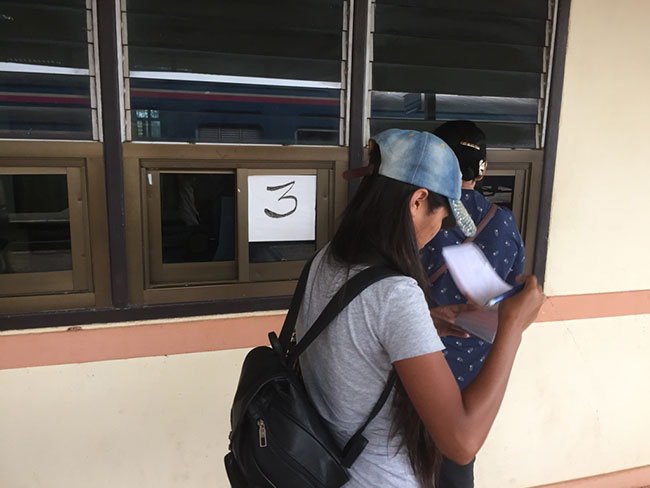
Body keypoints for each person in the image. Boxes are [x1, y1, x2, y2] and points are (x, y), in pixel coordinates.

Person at [295, 128, 545, 487]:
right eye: (441, 216)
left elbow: (355, 337)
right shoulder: (396, 295)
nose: (439, 226)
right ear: (417, 201)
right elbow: (462, 443)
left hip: (326, 469)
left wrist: (424, 323)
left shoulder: (329, 259)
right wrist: (512, 327)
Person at [420, 121, 527, 488]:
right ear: (481, 171)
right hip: (476, 371)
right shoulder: (505, 223)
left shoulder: (422, 215)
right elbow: (513, 292)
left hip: (418, 367)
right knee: (457, 466)